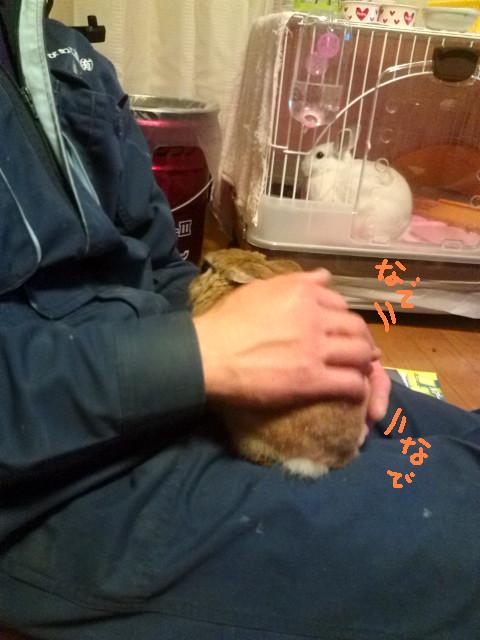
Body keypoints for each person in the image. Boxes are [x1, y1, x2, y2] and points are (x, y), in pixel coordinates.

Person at [0, 2, 479, 638]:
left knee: (460, 437)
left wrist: (296, 335)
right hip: (59, 484)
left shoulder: (65, 52)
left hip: (167, 386)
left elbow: (156, 261)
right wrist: (197, 355)